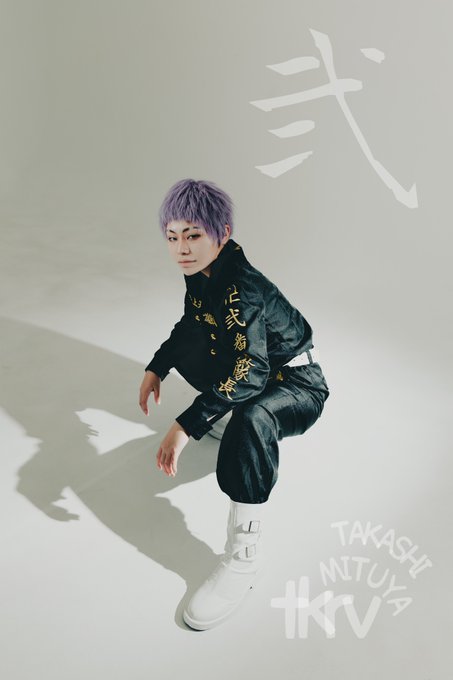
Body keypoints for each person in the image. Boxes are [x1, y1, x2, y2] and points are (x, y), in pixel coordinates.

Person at [139, 178, 330, 630]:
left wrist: (187, 424)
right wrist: (157, 366)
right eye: (173, 237)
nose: (182, 249)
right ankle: (233, 422)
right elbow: (191, 325)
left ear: (222, 233)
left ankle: (244, 556)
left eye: (193, 236)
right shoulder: (201, 273)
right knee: (195, 343)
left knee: (253, 413)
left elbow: (254, 372)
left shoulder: (241, 287)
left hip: (298, 384)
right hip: (258, 372)